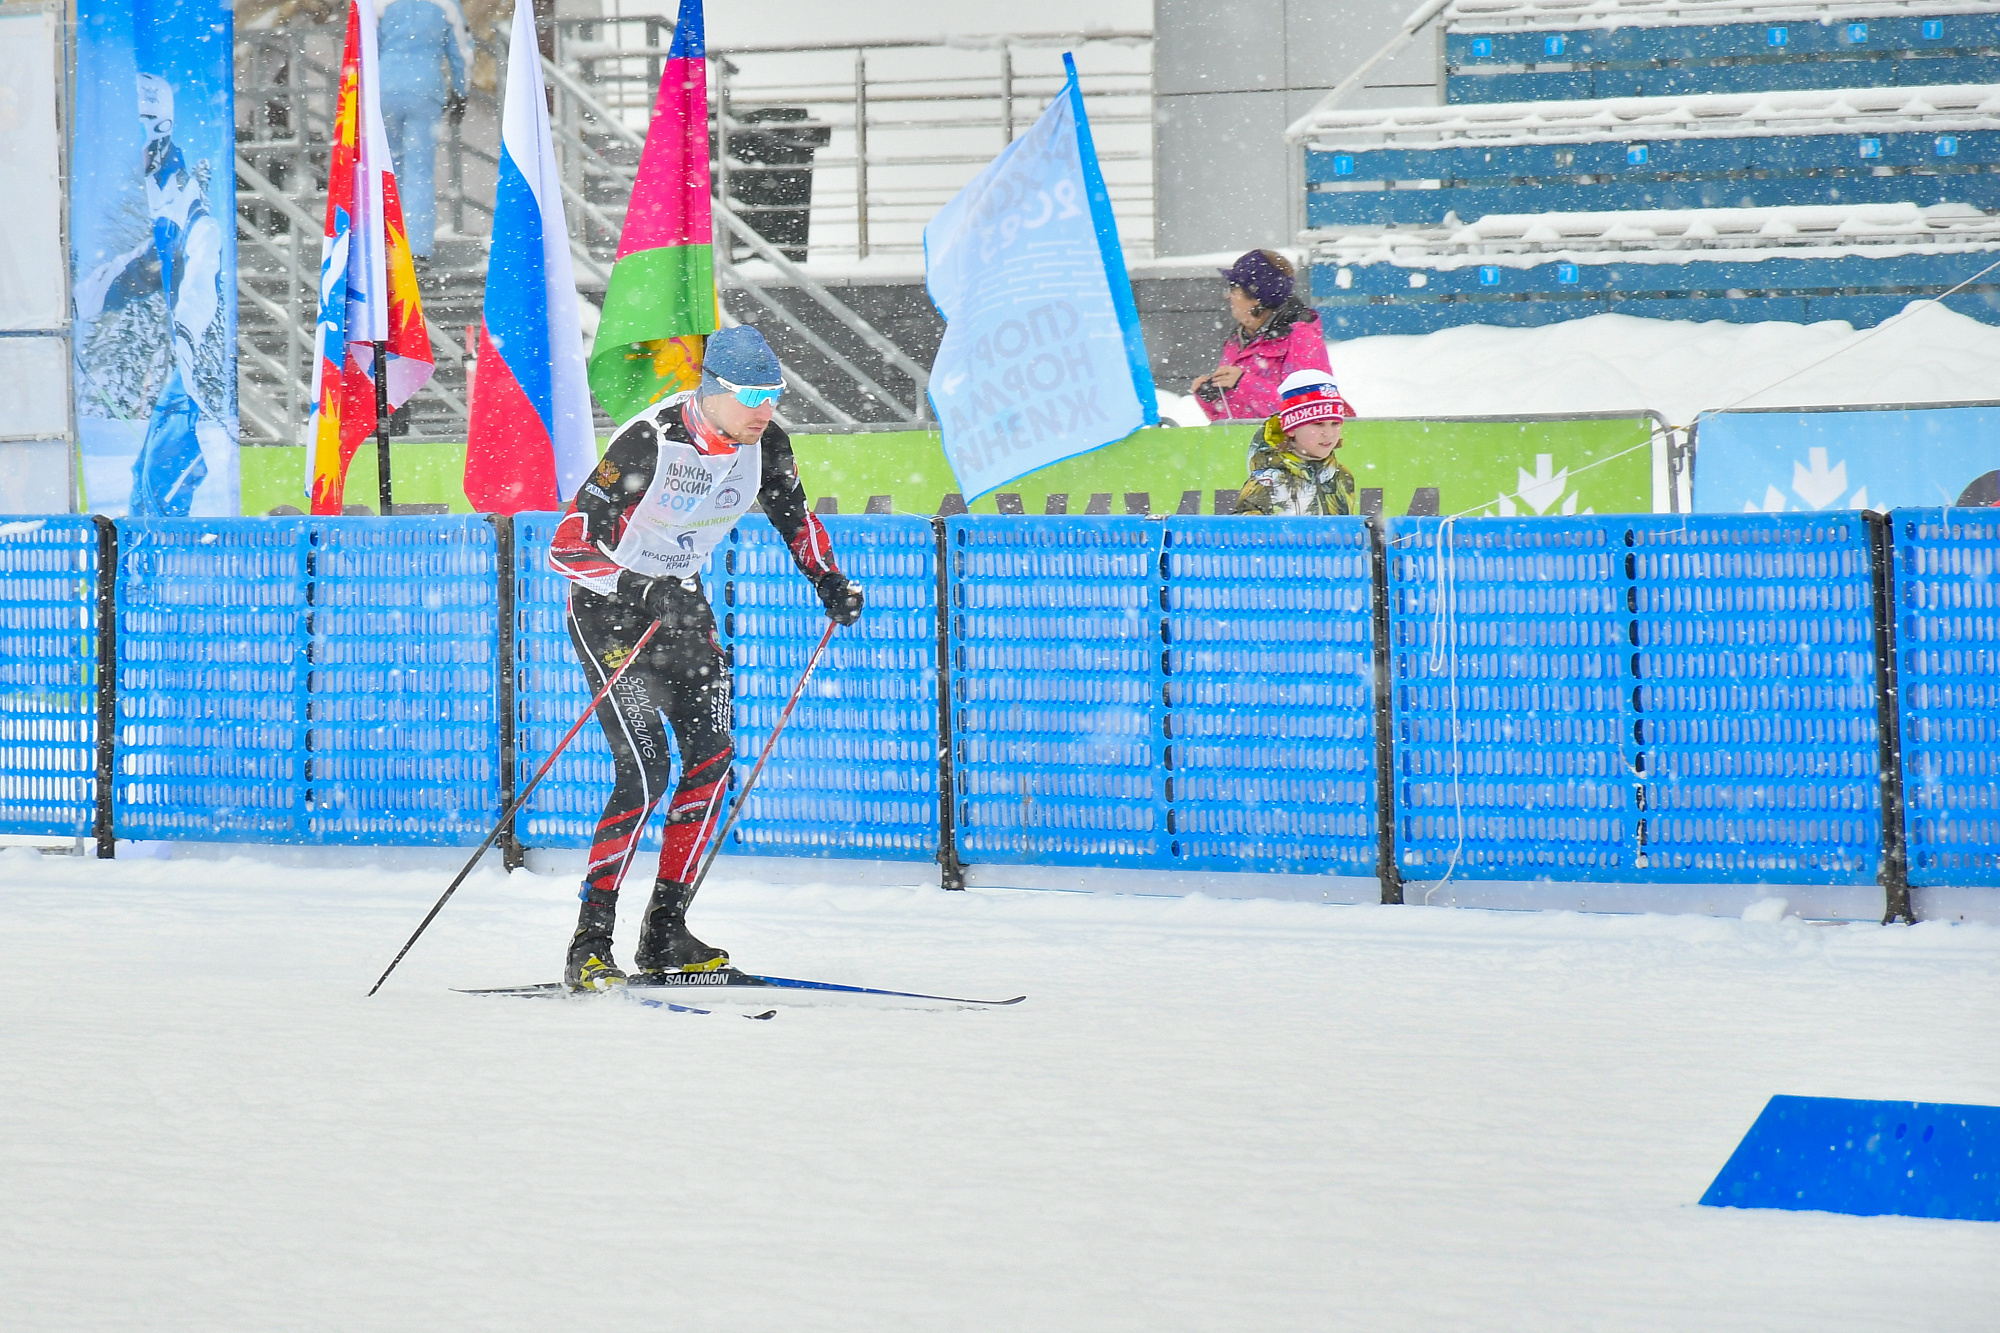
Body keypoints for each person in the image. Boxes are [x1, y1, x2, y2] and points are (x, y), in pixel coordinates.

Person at [548, 326, 865, 992]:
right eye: (751, 395)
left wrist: (827, 579)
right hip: (610, 613)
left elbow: (795, 517)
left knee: (712, 762)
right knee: (645, 772)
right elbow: (567, 546)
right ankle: (590, 942)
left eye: (773, 395)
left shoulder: (764, 444)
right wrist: (645, 588)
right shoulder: (651, 439)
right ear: (713, 387)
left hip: (681, 613)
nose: (764, 409)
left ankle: (666, 931)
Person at [73, 73, 234, 516]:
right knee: (149, 470)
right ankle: (144, 550)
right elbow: (124, 276)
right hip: (184, 365)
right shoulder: (169, 232)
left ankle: (160, 556)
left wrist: (185, 331)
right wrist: (82, 300)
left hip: (198, 363)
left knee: (165, 470)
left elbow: (200, 284)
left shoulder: (200, 228)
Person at [1190, 250, 1333, 423]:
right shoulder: (1237, 341)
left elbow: (1311, 411)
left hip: (1284, 449)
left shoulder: (1300, 338)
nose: (1228, 296)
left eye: (1233, 289)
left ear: (1256, 298)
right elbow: (1230, 420)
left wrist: (1244, 383)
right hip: (1244, 446)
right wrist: (1210, 398)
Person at [376, 0, 470, 260]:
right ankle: (417, 249)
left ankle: (387, 242)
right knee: (420, 170)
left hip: (384, 87)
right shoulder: (445, 4)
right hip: (425, 88)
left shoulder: (380, 4)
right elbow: (460, 51)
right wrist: (461, 91)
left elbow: (365, 46)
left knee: (388, 167)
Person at [1234, 370, 1358, 517]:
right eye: (1318, 424)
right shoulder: (1267, 482)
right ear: (1291, 428)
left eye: (1335, 423)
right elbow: (1245, 533)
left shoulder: (1342, 476)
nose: (1329, 433)